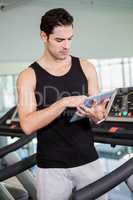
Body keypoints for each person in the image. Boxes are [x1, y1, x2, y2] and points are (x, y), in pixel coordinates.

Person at [17, 8, 108, 200]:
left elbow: (100, 115)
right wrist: (63, 103)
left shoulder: (86, 67)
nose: (66, 46)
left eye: (70, 39)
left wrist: (96, 115)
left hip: (88, 161)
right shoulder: (28, 76)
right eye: (59, 40)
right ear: (44, 36)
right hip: (51, 168)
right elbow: (27, 125)